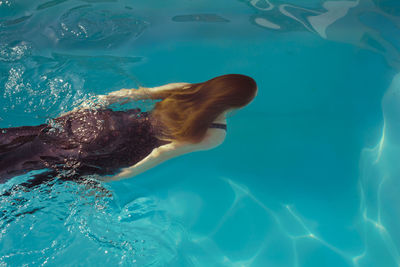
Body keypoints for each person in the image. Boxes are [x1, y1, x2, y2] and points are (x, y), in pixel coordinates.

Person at [0, 74, 257, 185]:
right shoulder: (215, 134)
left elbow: (127, 94)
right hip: (120, 149)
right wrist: (120, 177)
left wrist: (81, 111)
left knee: (31, 139)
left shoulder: (187, 88)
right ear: (237, 106)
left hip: (109, 123)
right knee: (40, 169)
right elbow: (160, 154)